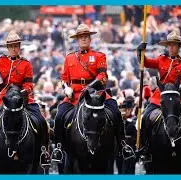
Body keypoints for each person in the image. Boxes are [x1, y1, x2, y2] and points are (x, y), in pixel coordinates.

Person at [52, 24, 128, 162]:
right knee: (59, 115)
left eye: (86, 37)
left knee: (115, 111)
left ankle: (123, 145)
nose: (84, 39)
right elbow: (64, 78)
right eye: (81, 37)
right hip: (74, 94)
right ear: (77, 40)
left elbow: (103, 76)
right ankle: (58, 147)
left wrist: (90, 87)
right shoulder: (69, 58)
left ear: (90, 39)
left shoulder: (99, 56)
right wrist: (65, 88)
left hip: (96, 93)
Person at [0, 31, 49, 167]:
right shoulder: (1, 61)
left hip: (23, 98)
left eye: (16, 46)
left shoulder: (26, 64)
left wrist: (22, 93)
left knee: (41, 120)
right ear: (7, 47)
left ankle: (44, 151)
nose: (14, 48)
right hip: (5, 97)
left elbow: (29, 85)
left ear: (19, 46)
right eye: (11, 46)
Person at [136, 30, 181, 159]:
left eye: (174, 45)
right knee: (145, 117)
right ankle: (146, 147)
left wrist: (180, 87)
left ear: (179, 47)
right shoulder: (161, 59)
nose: (172, 47)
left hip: (180, 95)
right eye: (170, 44)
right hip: (160, 96)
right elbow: (145, 62)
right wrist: (140, 52)